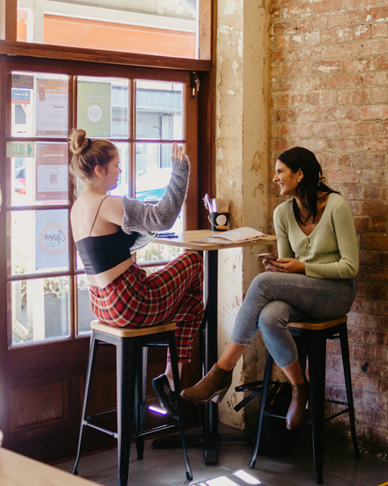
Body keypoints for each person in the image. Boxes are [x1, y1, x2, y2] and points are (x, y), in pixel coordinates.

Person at [181, 147, 358, 430]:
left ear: (299, 174)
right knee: (268, 317)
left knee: (263, 284)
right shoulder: (283, 213)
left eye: (280, 171)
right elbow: (291, 262)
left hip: (335, 294)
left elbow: (350, 267)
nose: (275, 178)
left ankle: (221, 371)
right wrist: (280, 268)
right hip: (304, 291)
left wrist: (301, 269)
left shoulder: (337, 206)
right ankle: (300, 388)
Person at [68, 129, 203, 417]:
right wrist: (180, 172)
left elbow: (133, 240)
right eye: (116, 166)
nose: (120, 172)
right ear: (99, 169)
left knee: (190, 303)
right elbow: (162, 219)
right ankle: (171, 379)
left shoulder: (79, 207)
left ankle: (171, 381)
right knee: (193, 262)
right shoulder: (108, 203)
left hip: (102, 303)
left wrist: (143, 228)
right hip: (129, 301)